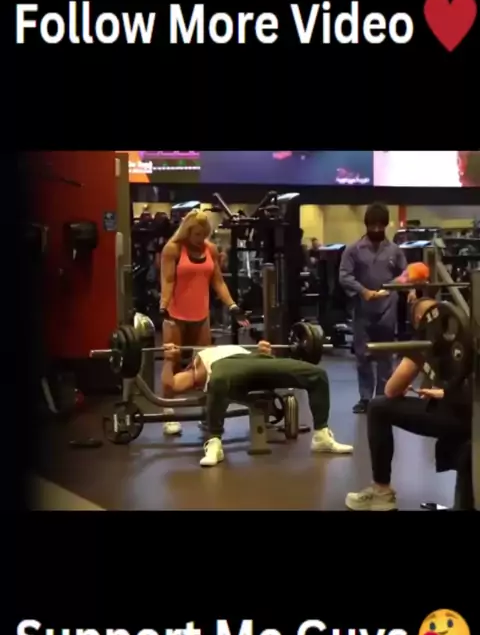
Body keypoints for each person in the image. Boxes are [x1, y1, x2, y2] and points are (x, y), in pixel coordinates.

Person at [345, 299, 473, 511]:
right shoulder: (469, 332)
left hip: (461, 416)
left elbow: (391, 390)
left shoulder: (426, 337)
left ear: (419, 319)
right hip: (469, 411)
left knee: (378, 408)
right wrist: (445, 393)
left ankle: (381, 492)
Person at [161, 340, 353, 466]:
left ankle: (321, 436)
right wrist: (169, 360)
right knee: (218, 380)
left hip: (257, 361)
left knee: (317, 374)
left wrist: (263, 351)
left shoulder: (242, 348)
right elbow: (170, 386)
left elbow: (262, 359)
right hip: (226, 369)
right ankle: (214, 442)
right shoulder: (198, 363)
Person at [160, 210, 249, 436]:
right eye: (197, 234)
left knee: (205, 365)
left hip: (201, 316)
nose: (201, 239)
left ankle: (206, 414)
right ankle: (168, 414)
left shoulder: (210, 249)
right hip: (175, 315)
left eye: (204, 234)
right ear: (187, 231)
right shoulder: (173, 249)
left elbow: (218, 282)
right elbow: (168, 280)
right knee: (172, 361)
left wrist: (232, 306)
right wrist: (163, 307)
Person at [339, 203, 412, 413]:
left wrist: (399, 288)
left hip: (387, 309)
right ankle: (365, 398)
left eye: (381, 226)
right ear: (367, 225)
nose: (377, 229)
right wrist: (363, 291)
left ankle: (382, 398)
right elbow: (344, 276)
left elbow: (405, 274)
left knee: (385, 356)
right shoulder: (353, 250)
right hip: (363, 309)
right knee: (362, 356)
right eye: (373, 226)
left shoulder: (395, 251)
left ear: (386, 225)